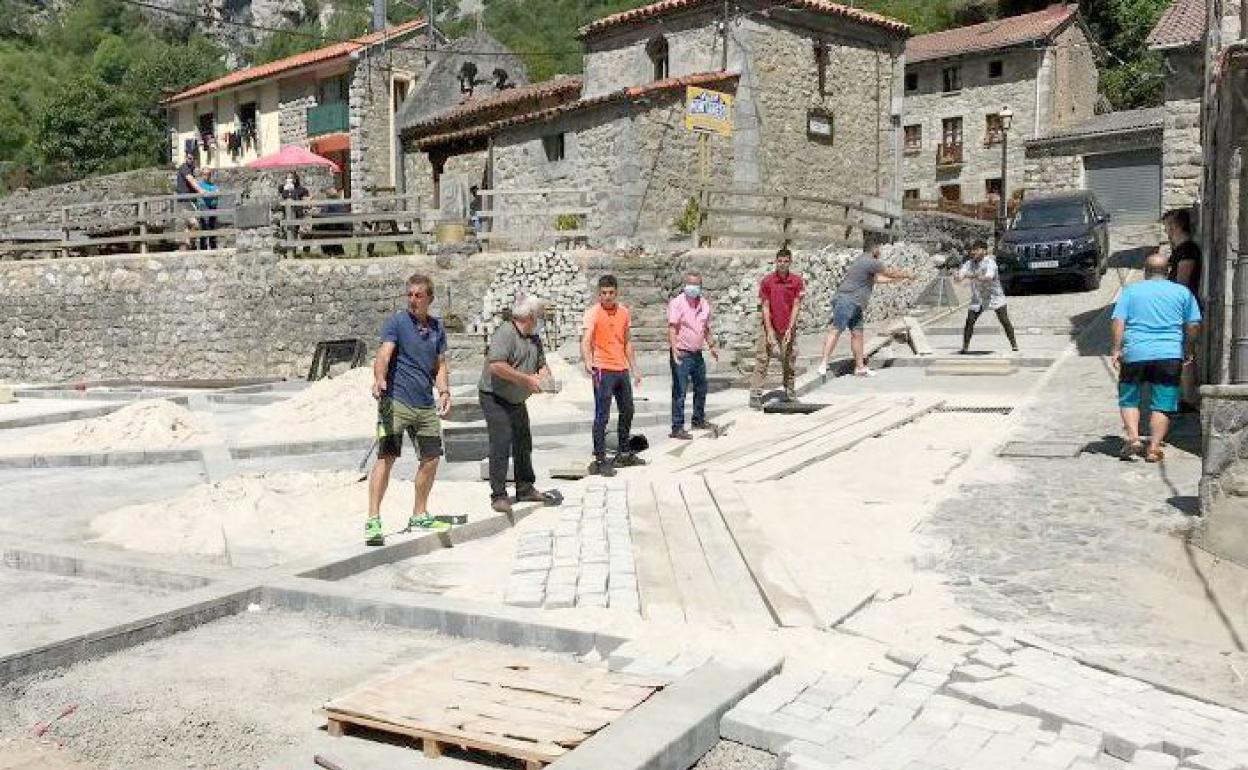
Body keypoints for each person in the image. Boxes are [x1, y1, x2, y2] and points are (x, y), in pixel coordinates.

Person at [365, 273, 453, 546]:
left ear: (430, 298)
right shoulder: (398, 323)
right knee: (386, 457)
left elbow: (439, 365)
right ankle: (373, 519)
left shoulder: (437, 328)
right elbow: (384, 354)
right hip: (396, 401)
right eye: (410, 294)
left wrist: (445, 391)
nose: (413, 300)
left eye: (419, 295)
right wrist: (379, 378)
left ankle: (419, 513)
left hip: (425, 404)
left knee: (431, 457)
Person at [1110, 253, 1202, 463]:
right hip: (1169, 354)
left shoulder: (1131, 292)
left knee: (1129, 398)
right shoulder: (1182, 292)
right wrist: (1188, 347)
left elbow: (1118, 321)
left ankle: (1133, 439)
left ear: (1145, 271)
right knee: (1163, 402)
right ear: (1168, 271)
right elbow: (1193, 324)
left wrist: (1116, 348)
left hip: (1135, 353)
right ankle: (1153, 447)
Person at [479, 296, 554, 514]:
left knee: (523, 441)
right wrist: (527, 380)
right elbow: (497, 366)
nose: (540, 321)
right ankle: (499, 494)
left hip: (516, 398)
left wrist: (544, 376)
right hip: (494, 396)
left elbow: (541, 364)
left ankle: (525, 487)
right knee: (501, 442)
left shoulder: (534, 339)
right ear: (530, 317)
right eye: (538, 316)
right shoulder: (505, 333)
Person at [817, 243, 914, 376]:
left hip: (856, 304)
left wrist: (898, 280)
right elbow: (889, 272)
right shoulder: (871, 262)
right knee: (836, 330)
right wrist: (907, 275)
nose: (880, 252)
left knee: (857, 334)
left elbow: (877, 279)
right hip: (847, 301)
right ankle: (823, 363)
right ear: (874, 249)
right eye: (879, 249)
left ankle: (860, 367)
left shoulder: (862, 261)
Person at [581, 274, 643, 476]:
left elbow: (627, 342)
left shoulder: (624, 312)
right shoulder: (593, 313)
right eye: (604, 293)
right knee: (602, 415)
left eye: (611, 293)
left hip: (621, 369)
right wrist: (588, 361)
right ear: (599, 294)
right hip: (602, 369)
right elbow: (585, 340)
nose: (607, 297)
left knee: (628, 410)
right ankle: (600, 459)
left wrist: (635, 369)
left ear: (616, 293)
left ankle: (624, 452)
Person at [750, 248, 805, 407]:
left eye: (785, 261)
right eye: (779, 261)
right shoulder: (768, 281)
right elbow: (765, 307)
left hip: (788, 325)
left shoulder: (796, 281)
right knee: (762, 358)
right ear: (776, 262)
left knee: (789, 359)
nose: (782, 264)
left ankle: (789, 390)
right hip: (769, 324)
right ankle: (755, 393)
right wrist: (769, 332)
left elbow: (796, 305)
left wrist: (790, 328)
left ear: (790, 262)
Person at [668, 271, 718, 439]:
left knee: (701, 387)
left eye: (696, 285)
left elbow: (705, 328)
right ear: (685, 285)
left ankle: (698, 419)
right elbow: (672, 327)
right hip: (682, 352)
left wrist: (712, 345)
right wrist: (674, 349)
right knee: (680, 391)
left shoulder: (704, 304)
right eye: (690, 284)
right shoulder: (677, 303)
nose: (693, 288)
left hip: (697, 353)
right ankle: (677, 426)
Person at [954, 240, 1018, 354]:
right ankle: (965, 347)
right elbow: (961, 275)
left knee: (1004, 320)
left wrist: (973, 276)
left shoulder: (990, 263)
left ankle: (1014, 344)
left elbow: (988, 277)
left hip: (994, 295)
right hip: (979, 296)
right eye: (973, 249)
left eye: (977, 249)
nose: (974, 252)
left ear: (984, 251)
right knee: (969, 321)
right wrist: (958, 276)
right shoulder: (969, 263)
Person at [1163, 208, 1201, 296]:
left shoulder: (1188, 250)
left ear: (1175, 227)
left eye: (1167, 227)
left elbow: (1181, 285)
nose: (1166, 231)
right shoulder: (1178, 251)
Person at [175, 153, 203, 249]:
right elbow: (191, 181)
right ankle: (188, 244)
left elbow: (196, 181)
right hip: (184, 201)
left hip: (190, 201)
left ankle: (187, 247)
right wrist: (202, 191)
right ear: (186, 158)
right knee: (195, 224)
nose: (190, 160)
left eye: (192, 159)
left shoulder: (191, 169)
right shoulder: (184, 168)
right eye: (189, 158)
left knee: (187, 226)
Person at [195, 167, 219, 251]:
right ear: (202, 175)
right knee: (204, 226)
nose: (207, 176)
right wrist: (209, 194)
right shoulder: (199, 185)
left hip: (212, 207)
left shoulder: (213, 185)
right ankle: (203, 247)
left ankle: (213, 246)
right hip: (204, 206)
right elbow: (203, 193)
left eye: (208, 174)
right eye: (205, 174)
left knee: (212, 226)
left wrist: (209, 194)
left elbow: (216, 193)